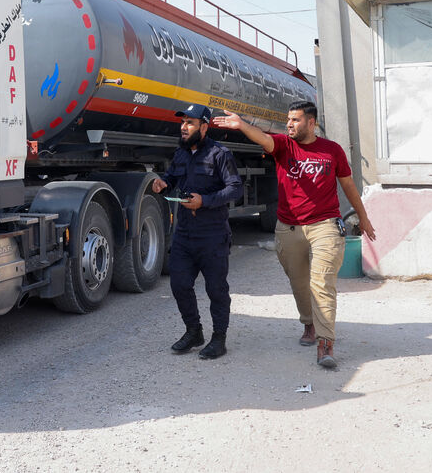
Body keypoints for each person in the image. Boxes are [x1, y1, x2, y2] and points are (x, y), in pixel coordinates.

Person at [211, 101, 376, 369]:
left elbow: (348, 185)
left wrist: (364, 218)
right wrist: (241, 125)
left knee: (321, 283)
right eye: (288, 119)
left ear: (311, 123)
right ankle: (309, 323)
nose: (289, 124)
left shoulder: (332, 150)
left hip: (325, 224)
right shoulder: (283, 146)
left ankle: (325, 342)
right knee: (299, 283)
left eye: (295, 120)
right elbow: (263, 138)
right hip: (288, 226)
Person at [152, 104, 244, 360]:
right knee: (179, 284)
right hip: (184, 234)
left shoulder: (220, 154)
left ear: (204, 127)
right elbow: (171, 177)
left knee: (216, 289)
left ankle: (219, 339)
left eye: (190, 123)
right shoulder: (180, 154)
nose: (184, 127)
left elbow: (235, 189)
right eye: (183, 123)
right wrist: (163, 183)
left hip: (212, 234)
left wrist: (204, 200)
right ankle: (194, 331)